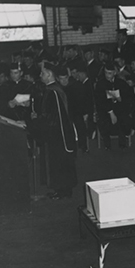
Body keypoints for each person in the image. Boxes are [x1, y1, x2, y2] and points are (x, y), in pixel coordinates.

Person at [32, 63, 77, 200]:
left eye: (43, 73)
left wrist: (36, 120)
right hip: (57, 131)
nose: (40, 76)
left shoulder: (53, 92)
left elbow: (52, 116)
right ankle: (60, 190)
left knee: (60, 161)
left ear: (49, 75)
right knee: (58, 162)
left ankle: (64, 191)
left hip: (59, 133)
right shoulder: (52, 90)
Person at [93, 62, 135, 148]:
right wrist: (110, 112)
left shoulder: (121, 83)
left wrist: (121, 99)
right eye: (105, 73)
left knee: (124, 118)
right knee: (104, 121)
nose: (107, 75)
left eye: (109, 73)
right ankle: (107, 143)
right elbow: (100, 101)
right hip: (105, 110)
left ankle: (122, 142)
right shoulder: (100, 84)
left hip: (119, 108)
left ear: (114, 73)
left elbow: (128, 97)